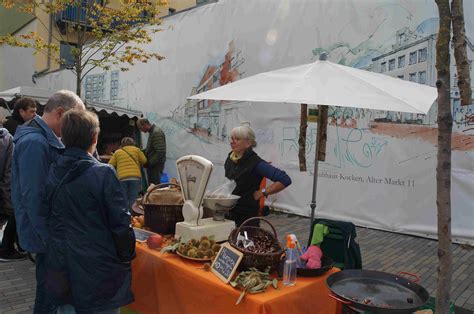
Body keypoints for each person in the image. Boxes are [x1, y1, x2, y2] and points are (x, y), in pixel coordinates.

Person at [45, 109, 135, 314]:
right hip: (97, 269)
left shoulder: (54, 168)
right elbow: (121, 223)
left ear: (63, 136)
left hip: (61, 264)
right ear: (95, 137)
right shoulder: (102, 173)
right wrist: (126, 255)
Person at [11, 90, 85, 313]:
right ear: (61, 113)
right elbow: (33, 197)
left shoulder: (41, 139)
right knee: (48, 298)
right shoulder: (35, 143)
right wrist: (48, 240)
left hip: (48, 235)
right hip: (47, 237)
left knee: (49, 295)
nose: (76, 128)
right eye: (75, 120)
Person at [225, 126, 292, 226]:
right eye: (231, 138)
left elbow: (284, 179)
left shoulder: (256, 163)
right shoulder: (231, 158)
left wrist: (262, 192)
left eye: (237, 139)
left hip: (246, 217)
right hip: (229, 212)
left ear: (248, 143)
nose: (232, 141)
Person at [0, 127, 27, 261]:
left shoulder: (7, 138)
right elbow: (8, 173)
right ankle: (6, 249)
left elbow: (8, 173)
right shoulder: (7, 138)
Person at [109, 137, 147, 210]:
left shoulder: (117, 152)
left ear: (122, 144)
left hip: (122, 178)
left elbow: (110, 164)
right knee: (133, 199)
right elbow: (144, 160)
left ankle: (125, 215)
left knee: (123, 199)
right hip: (135, 177)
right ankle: (132, 217)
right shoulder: (137, 150)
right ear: (133, 143)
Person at [136, 118, 166, 185]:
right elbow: (150, 148)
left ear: (145, 124)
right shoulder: (152, 132)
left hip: (156, 166)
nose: (141, 130)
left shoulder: (156, 133)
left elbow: (160, 151)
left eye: (140, 128)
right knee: (153, 186)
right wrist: (138, 151)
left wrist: (150, 163)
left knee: (155, 186)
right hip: (154, 165)